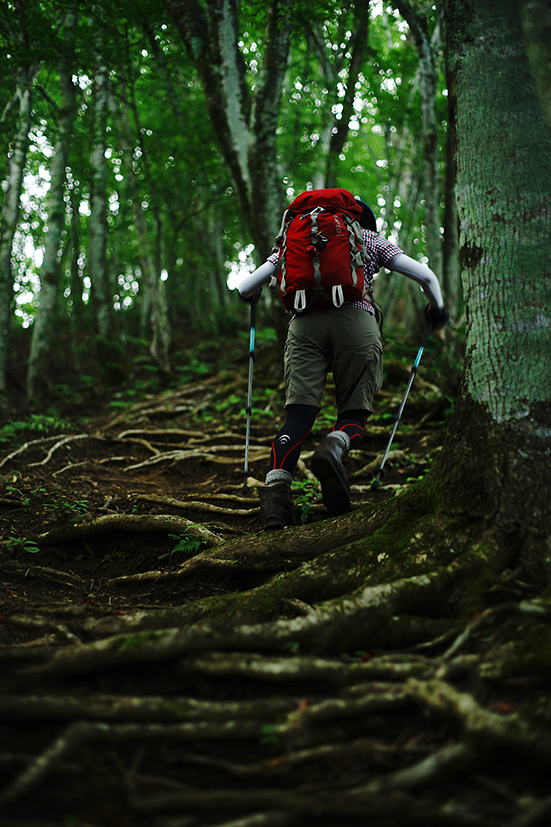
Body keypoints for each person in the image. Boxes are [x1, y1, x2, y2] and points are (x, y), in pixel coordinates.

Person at [238, 194, 449, 530]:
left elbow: (244, 286)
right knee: (353, 413)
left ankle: (276, 502)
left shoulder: (294, 238)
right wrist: (437, 308)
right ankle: (334, 446)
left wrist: (252, 295)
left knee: (299, 416)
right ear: (360, 217)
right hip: (356, 321)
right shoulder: (367, 237)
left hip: (304, 325)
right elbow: (426, 277)